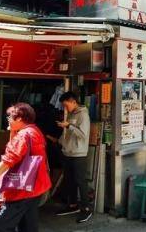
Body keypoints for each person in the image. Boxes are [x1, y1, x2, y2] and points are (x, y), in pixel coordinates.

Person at [0, 103, 51, 232]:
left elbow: (8, 161)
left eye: (10, 117)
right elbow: (17, 151)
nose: (8, 119)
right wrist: (13, 131)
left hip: (21, 189)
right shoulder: (34, 130)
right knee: (28, 225)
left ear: (19, 118)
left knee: (1, 227)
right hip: (36, 187)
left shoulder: (23, 136)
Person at [55, 91, 92, 223]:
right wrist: (60, 140)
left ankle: (86, 209)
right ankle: (72, 205)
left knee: (80, 181)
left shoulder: (83, 115)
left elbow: (83, 135)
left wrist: (69, 126)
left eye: (66, 105)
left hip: (79, 153)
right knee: (69, 180)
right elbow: (69, 133)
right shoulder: (71, 114)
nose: (66, 108)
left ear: (73, 102)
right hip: (68, 152)